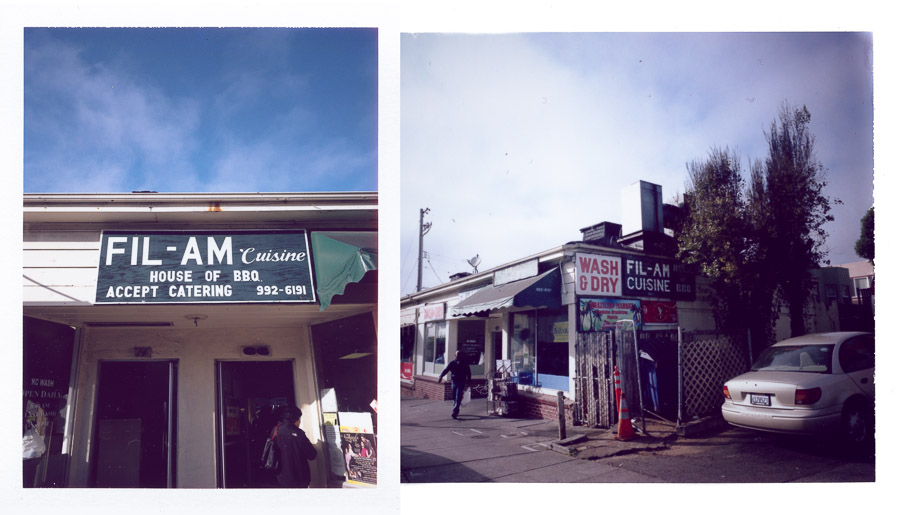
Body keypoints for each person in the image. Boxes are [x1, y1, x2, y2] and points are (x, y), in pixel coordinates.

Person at [274, 406, 317, 488]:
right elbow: (312, 455)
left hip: (281, 477)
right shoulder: (299, 434)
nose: (300, 421)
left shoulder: (276, 430)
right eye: (299, 419)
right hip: (299, 477)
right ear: (295, 419)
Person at [438, 350, 471, 419]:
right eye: (457, 355)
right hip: (454, 381)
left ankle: (455, 412)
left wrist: (468, 381)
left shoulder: (465, 363)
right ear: (455, 355)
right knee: (454, 395)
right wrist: (441, 376)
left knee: (458, 396)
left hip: (461, 381)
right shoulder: (452, 363)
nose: (459, 356)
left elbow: (468, 372)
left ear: (462, 356)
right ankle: (456, 406)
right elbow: (446, 370)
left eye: (460, 355)